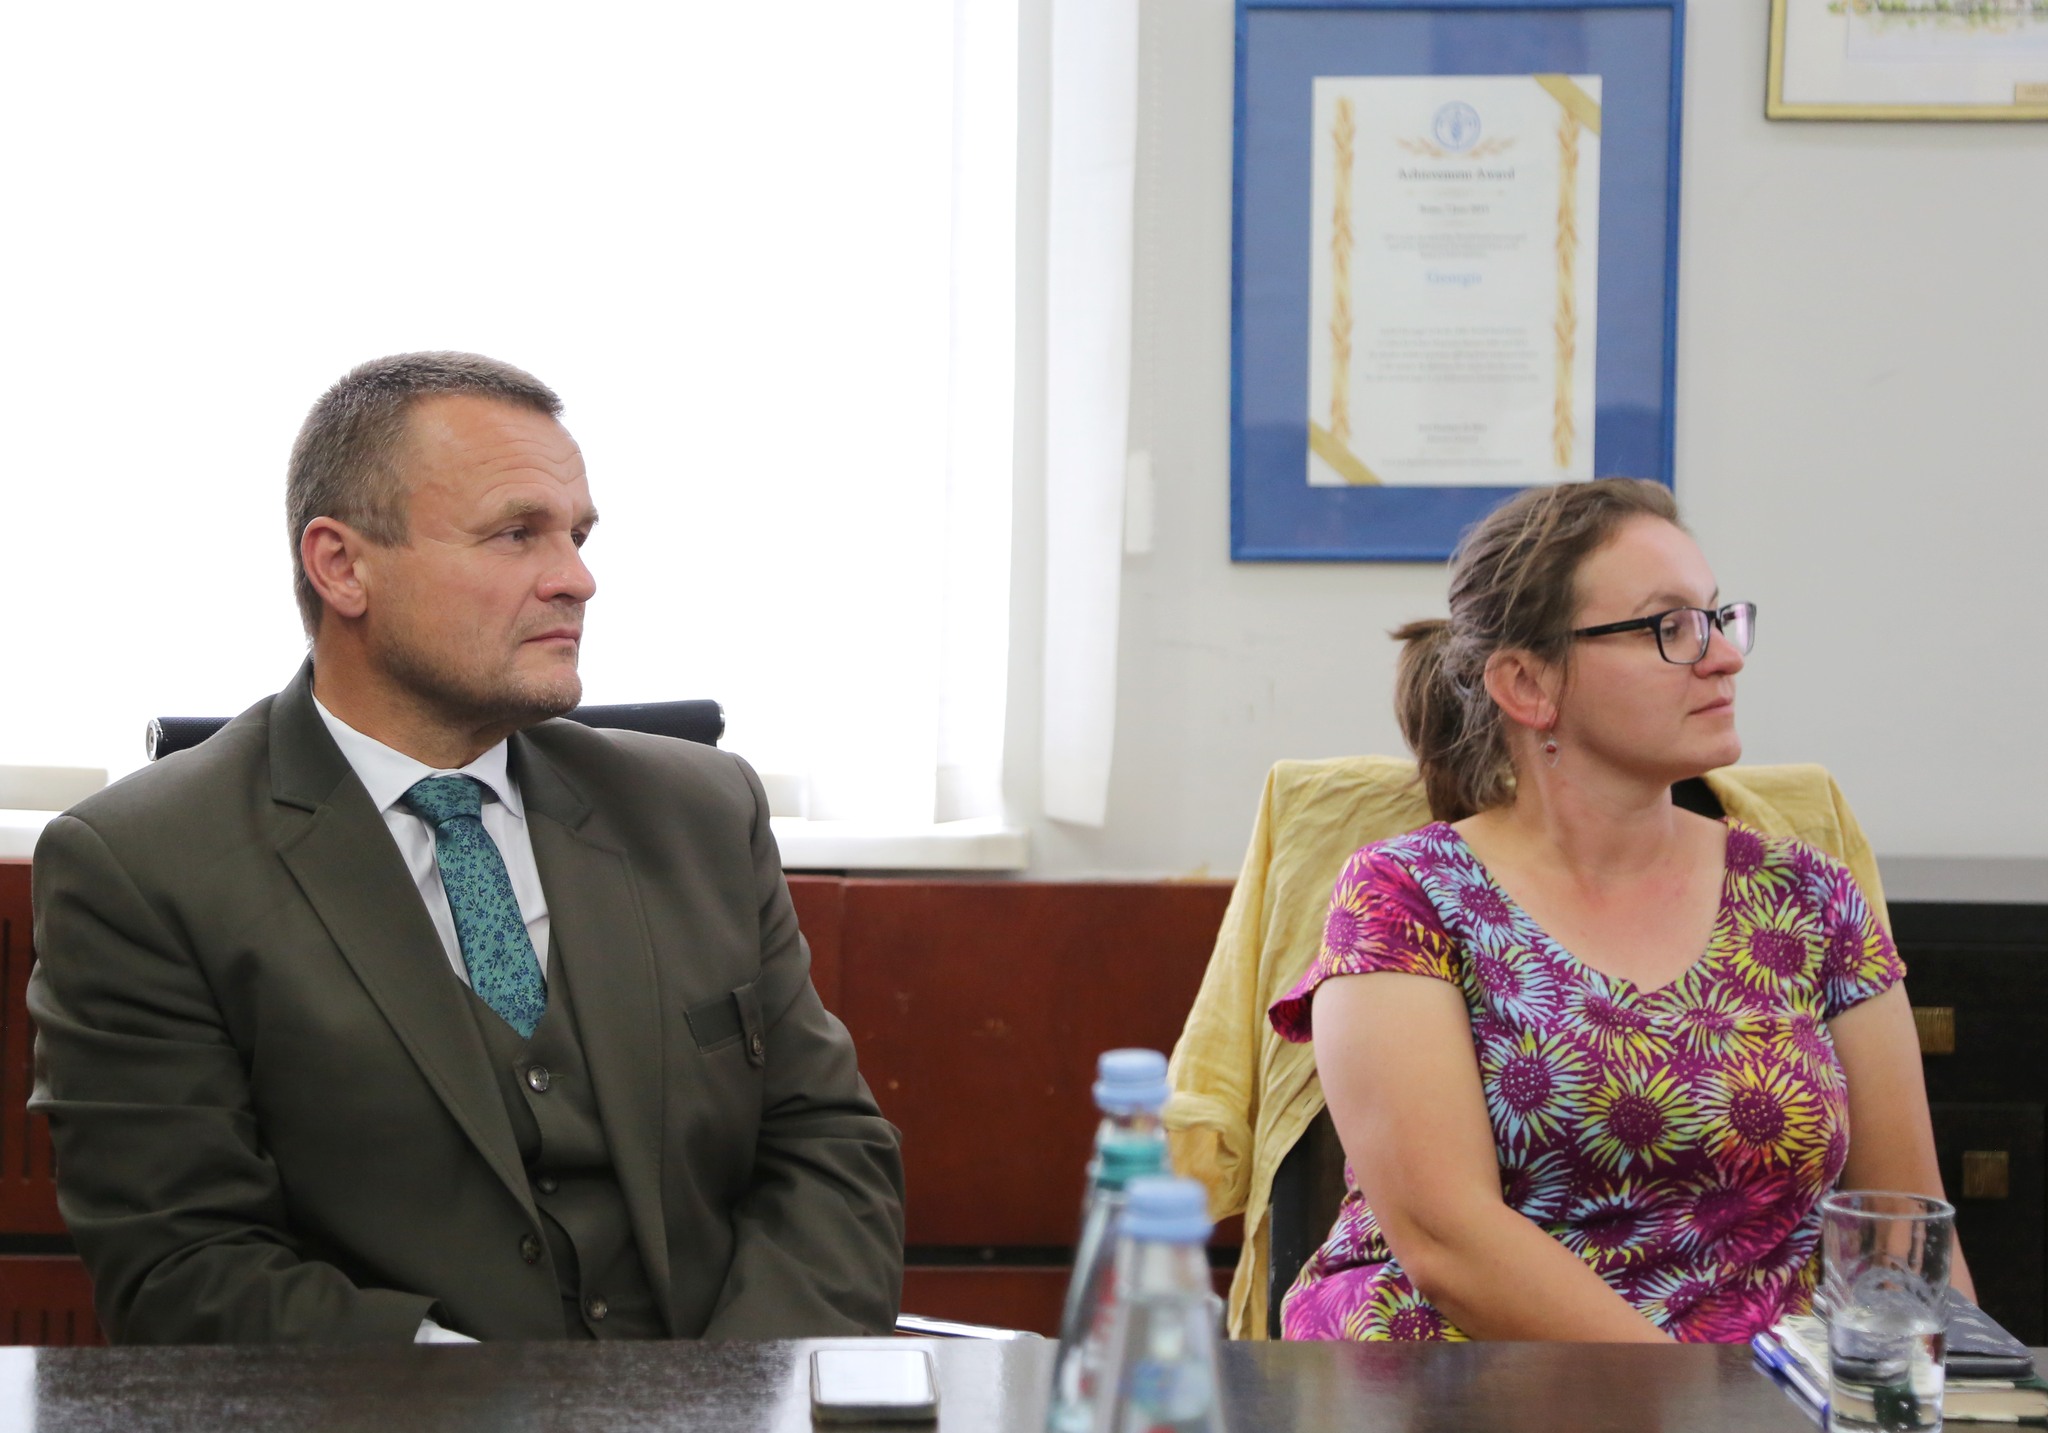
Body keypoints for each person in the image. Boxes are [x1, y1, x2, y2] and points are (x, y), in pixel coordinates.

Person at [28, 352, 906, 1344]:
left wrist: (734, 1392)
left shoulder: (701, 809)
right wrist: (486, 1401)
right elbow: (186, 1266)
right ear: (341, 566)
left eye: (577, 535)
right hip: (393, 1406)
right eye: (516, 533)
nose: (576, 578)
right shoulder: (141, 864)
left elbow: (826, 1148)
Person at [1267, 478, 1967, 1343]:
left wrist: (1945, 1389)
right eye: (1669, 626)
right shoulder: (1407, 894)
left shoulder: (1810, 897)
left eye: (1717, 617)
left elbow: (1906, 1238)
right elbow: (1450, 1242)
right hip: (1458, 1373)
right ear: (1528, 683)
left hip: (1760, 1382)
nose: (1724, 656)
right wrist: (1694, 1399)